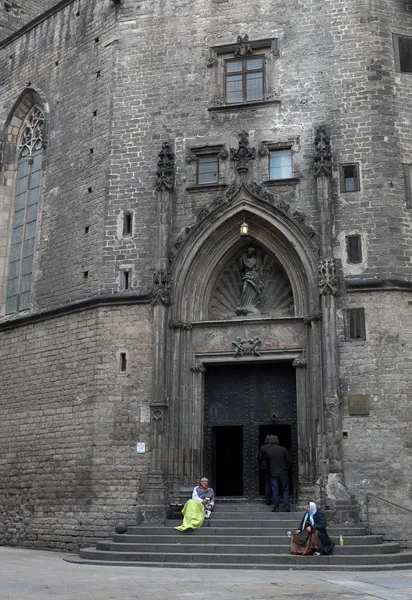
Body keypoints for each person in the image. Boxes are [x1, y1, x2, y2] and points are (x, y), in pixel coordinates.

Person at [262, 434, 291, 512]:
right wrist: (286, 468)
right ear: (277, 440)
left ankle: (276, 506)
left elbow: (266, 463)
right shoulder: (283, 449)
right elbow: (288, 460)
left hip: (273, 472)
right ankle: (286, 505)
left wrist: (269, 469)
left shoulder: (268, 451)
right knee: (285, 489)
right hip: (283, 472)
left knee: (275, 489)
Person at [258, 435, 272, 505]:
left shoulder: (263, 447)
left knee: (267, 483)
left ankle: (267, 500)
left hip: (266, 468)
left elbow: (259, 458)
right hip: (276, 468)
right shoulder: (277, 447)